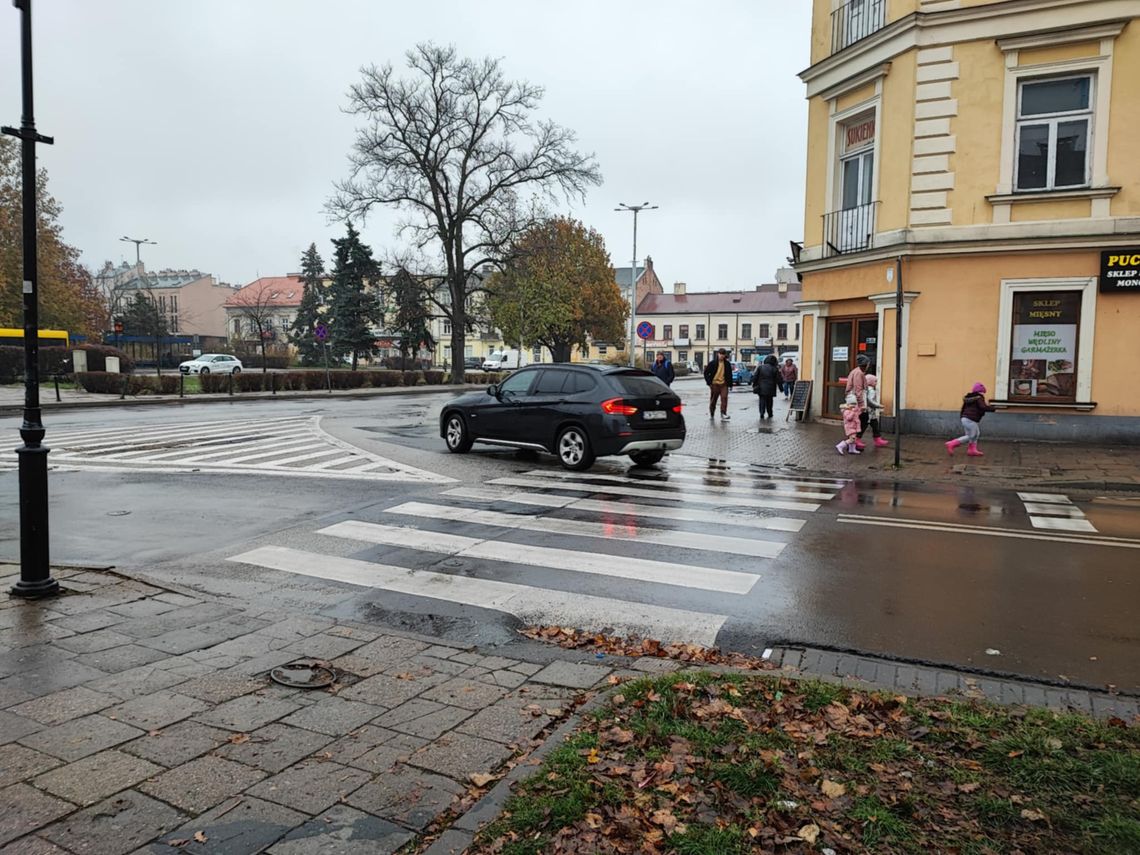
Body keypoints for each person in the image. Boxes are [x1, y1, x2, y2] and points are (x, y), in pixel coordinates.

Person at [947, 382, 996, 457]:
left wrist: (962, 417)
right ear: (981, 391)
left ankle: (972, 450)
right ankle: (952, 444)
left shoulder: (968, 398)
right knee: (971, 435)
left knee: (976, 433)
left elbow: (963, 409)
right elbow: (982, 407)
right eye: (983, 392)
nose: (983, 394)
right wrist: (992, 409)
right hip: (971, 419)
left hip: (965, 418)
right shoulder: (979, 397)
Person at [845, 354, 871, 449]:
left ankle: (853, 442)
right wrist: (862, 405)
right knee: (862, 419)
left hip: (853, 401)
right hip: (856, 402)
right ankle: (853, 441)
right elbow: (858, 390)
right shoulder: (859, 373)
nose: (869, 366)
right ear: (865, 364)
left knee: (857, 422)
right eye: (868, 363)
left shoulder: (856, 371)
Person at [858, 374, 889, 448]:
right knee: (864, 425)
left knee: (875, 425)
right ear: (870, 382)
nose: (876, 383)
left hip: (869, 412)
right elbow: (870, 401)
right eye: (875, 381)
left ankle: (877, 439)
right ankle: (856, 439)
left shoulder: (865, 389)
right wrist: (879, 405)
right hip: (868, 412)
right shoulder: (871, 390)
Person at [703, 348, 732, 420]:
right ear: (718, 354)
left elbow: (729, 374)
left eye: (723, 354)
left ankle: (723, 413)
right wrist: (709, 383)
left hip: (724, 384)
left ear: (725, 355)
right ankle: (712, 412)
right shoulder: (712, 363)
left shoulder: (727, 364)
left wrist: (730, 385)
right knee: (713, 400)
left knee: (724, 398)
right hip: (714, 384)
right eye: (720, 354)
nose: (721, 356)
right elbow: (706, 373)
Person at [751, 354, 779, 419]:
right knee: (769, 401)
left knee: (762, 400)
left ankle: (761, 413)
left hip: (761, 387)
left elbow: (755, 377)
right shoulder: (774, 368)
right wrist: (781, 388)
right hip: (771, 388)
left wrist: (754, 385)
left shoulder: (760, 367)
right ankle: (770, 413)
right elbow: (778, 379)